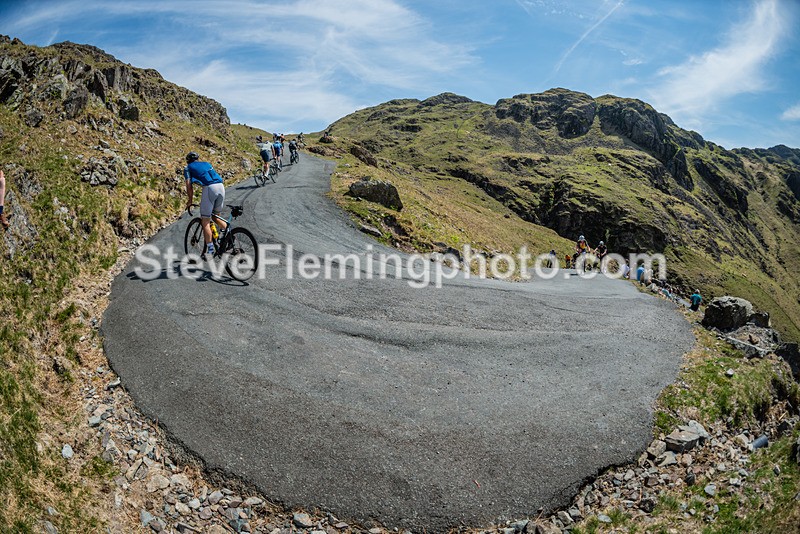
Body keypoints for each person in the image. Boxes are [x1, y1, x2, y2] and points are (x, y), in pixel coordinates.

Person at [183, 151, 226, 258]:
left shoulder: (188, 168)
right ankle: (228, 237)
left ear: (188, 160)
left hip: (210, 188)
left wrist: (190, 200)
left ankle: (210, 250)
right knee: (216, 217)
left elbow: (189, 185)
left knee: (205, 220)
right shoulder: (206, 163)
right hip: (221, 186)